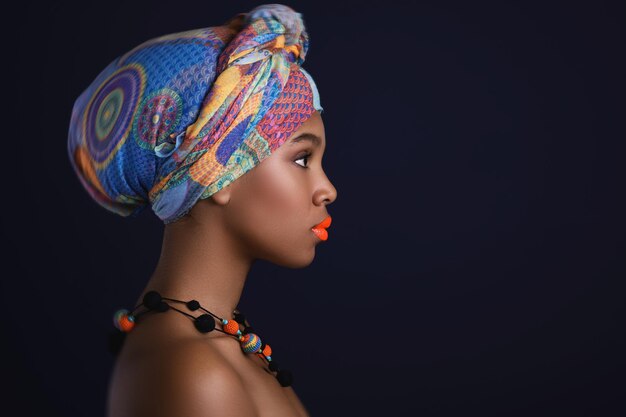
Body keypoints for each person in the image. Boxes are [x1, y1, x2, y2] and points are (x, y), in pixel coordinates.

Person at [66, 4, 337, 416]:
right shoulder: (192, 372)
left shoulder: (217, 344)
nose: (327, 190)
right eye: (302, 159)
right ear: (218, 172)